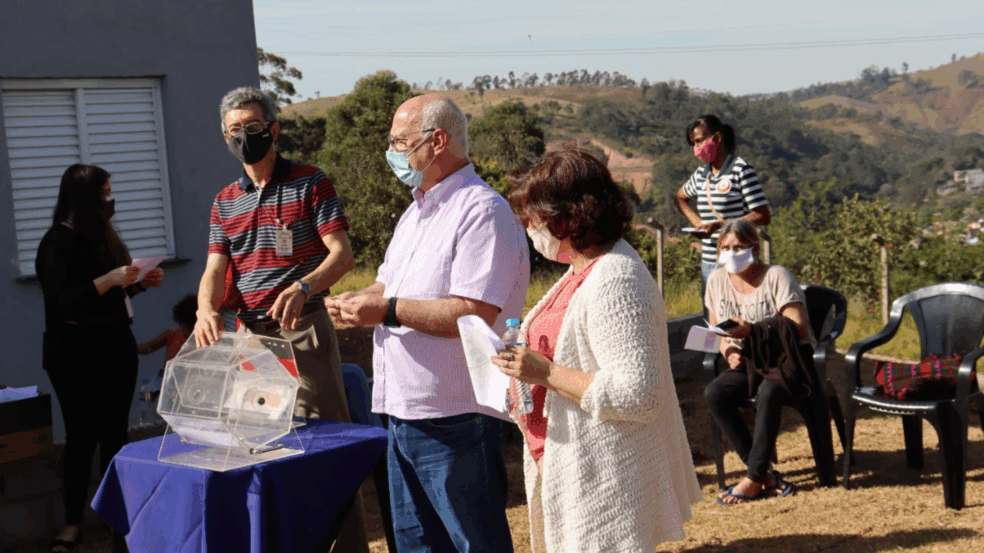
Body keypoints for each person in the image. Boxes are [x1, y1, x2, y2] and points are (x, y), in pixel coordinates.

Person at [326, 94, 529, 552]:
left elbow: (473, 312)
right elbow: (388, 285)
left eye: (400, 142)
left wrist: (385, 310)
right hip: (403, 409)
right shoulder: (415, 211)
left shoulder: (482, 211)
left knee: (472, 542)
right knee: (418, 544)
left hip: (455, 413)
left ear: (437, 141)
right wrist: (360, 300)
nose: (392, 153)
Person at [490, 148, 701, 552]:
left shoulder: (616, 278)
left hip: (602, 476)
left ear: (568, 216)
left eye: (534, 217)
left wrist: (545, 372)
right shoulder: (582, 269)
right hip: (568, 464)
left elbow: (640, 395)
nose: (529, 227)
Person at [193, 87, 367, 551]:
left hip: (304, 330)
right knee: (264, 450)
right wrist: (204, 309)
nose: (244, 137)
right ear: (224, 137)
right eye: (235, 130)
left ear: (273, 129)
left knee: (326, 450)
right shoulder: (223, 201)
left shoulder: (311, 182)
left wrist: (305, 285)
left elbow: (342, 255)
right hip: (251, 340)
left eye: (253, 128)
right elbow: (215, 268)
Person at [37, 164, 165, 552]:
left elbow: (114, 299)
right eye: (104, 194)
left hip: (114, 347)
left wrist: (139, 282)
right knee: (80, 437)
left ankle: (118, 521)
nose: (110, 201)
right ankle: (72, 523)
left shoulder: (105, 237)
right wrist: (110, 279)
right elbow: (61, 300)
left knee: (114, 434)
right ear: (84, 198)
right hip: (73, 352)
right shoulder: (56, 241)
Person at [702, 218, 818, 505]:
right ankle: (765, 473)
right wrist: (727, 350)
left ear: (753, 247)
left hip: (785, 360)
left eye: (738, 246)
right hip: (749, 362)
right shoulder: (716, 280)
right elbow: (713, 331)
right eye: (724, 247)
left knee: (769, 392)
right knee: (715, 392)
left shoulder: (777, 276)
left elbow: (798, 327)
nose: (730, 253)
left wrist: (753, 331)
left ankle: (752, 479)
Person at [673, 114, 771, 311]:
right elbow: (681, 197)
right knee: (712, 319)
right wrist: (697, 223)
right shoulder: (701, 174)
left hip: (738, 262)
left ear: (717, 138)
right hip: (709, 262)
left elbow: (762, 214)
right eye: (693, 143)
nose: (697, 148)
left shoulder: (741, 170)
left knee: (741, 318)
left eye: (700, 140)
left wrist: (721, 225)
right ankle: (711, 343)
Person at [137, 293, 197, 376]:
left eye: (193, 329)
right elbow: (148, 347)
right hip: (170, 380)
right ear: (181, 322)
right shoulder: (171, 334)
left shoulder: (205, 340)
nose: (189, 334)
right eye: (186, 327)